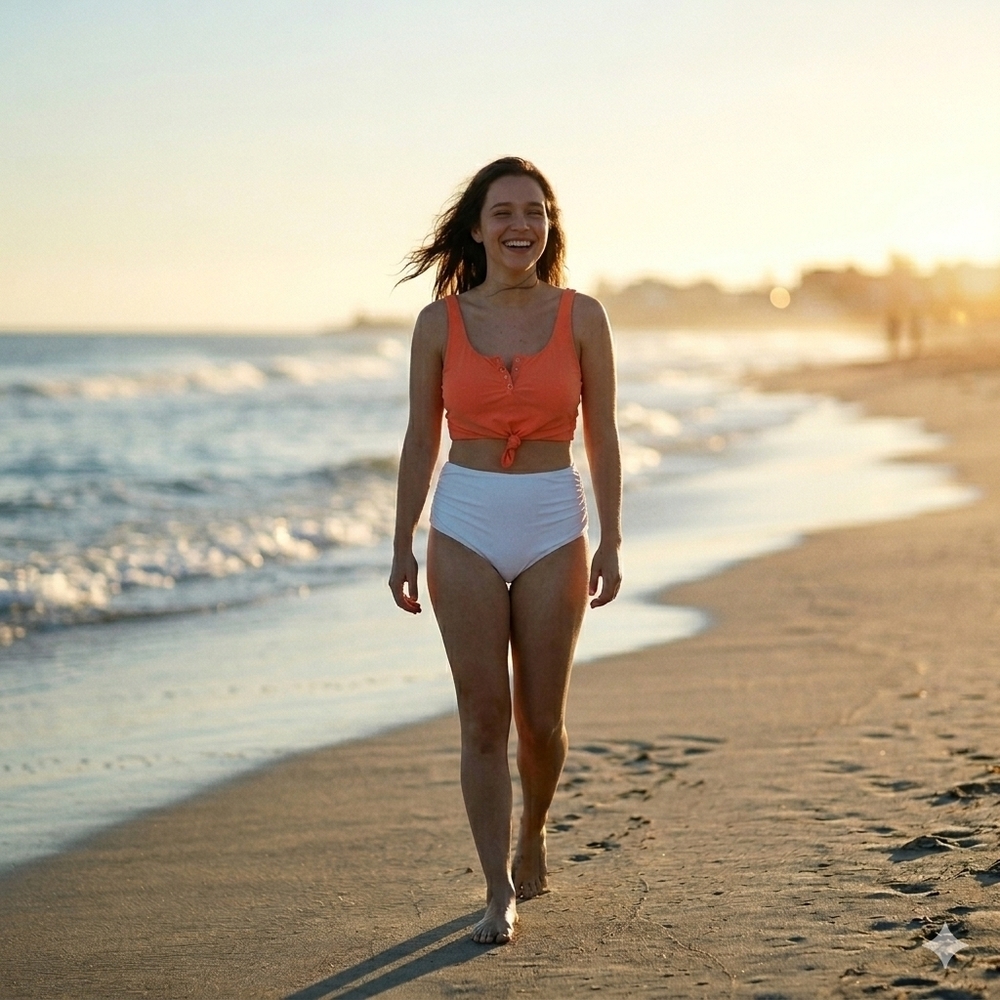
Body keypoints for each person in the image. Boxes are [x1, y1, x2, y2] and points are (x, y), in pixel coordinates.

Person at [389, 157, 623, 944]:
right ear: (477, 227)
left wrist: (612, 537)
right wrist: (402, 544)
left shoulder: (583, 316)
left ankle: (534, 831)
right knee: (483, 719)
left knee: (541, 724)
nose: (520, 224)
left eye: (535, 211)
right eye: (503, 212)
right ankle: (498, 891)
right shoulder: (439, 323)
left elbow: (604, 434)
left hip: (554, 521)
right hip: (465, 523)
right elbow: (422, 437)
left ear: (549, 226)